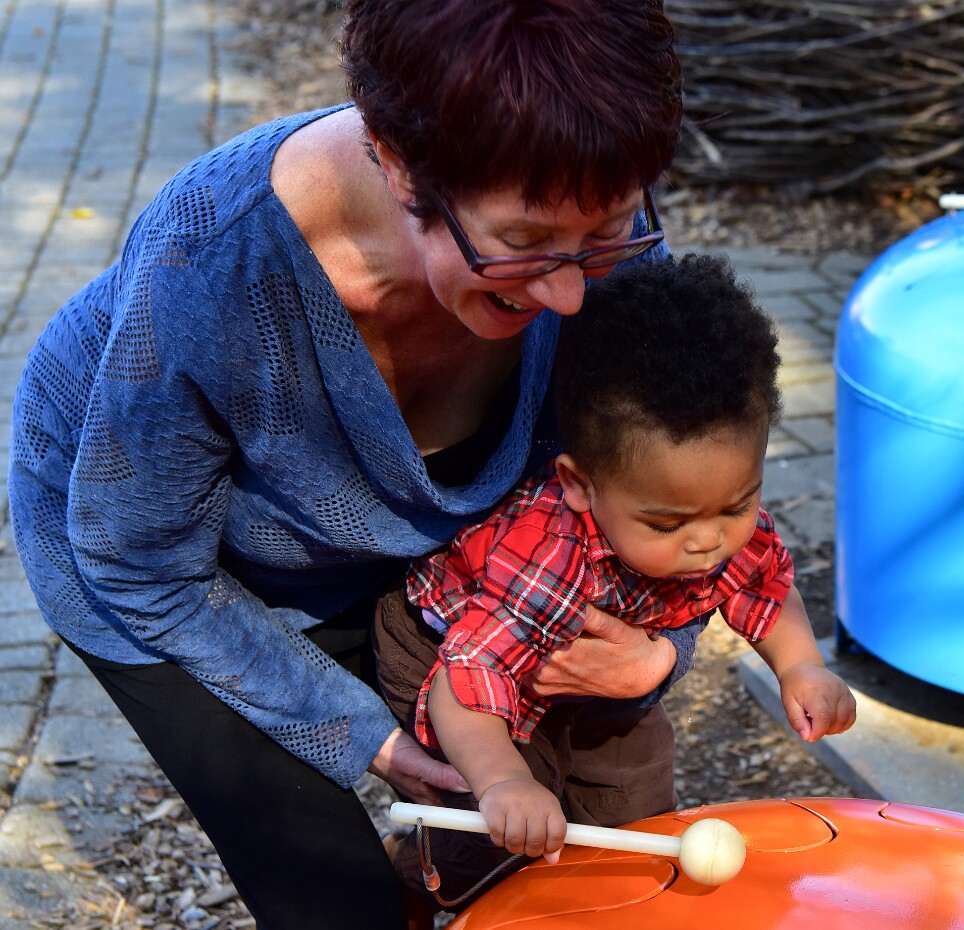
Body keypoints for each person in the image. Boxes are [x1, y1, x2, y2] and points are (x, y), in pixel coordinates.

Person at [6, 2, 696, 928]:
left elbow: (673, 482)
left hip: (412, 536)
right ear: (398, 159)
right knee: (327, 890)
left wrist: (659, 650)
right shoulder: (217, 265)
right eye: (523, 245)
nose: (571, 292)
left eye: (608, 227)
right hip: (152, 562)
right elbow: (141, 566)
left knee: (535, 840)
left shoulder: (582, 216)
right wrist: (358, 732)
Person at [373, 253, 858, 911]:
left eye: (737, 505)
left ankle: (612, 904)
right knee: (500, 833)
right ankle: (413, 880)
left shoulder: (707, 512)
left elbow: (765, 590)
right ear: (580, 486)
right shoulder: (548, 556)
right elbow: (467, 687)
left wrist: (802, 669)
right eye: (667, 522)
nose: (708, 539)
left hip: (592, 670)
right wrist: (504, 783)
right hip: (456, 656)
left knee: (639, 813)